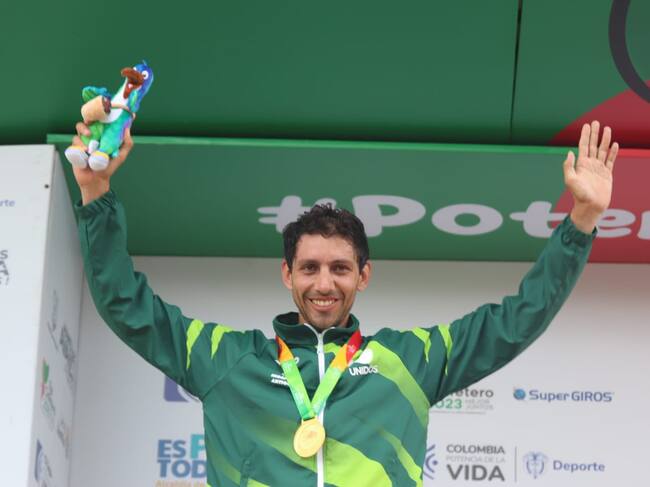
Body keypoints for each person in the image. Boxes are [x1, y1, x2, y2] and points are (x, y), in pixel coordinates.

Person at [71, 121, 618, 487]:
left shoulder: (407, 360)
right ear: (287, 274)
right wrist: (96, 194)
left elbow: (515, 321)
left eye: (339, 268)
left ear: (363, 276)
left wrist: (582, 221)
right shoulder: (229, 360)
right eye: (309, 268)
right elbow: (127, 305)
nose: (324, 283)